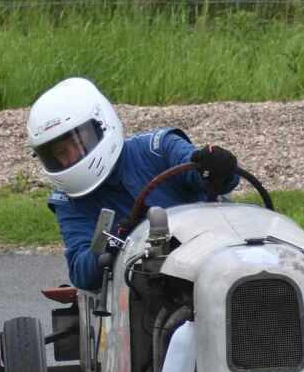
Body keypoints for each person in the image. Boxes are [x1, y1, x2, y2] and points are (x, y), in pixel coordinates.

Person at [27, 77, 238, 291]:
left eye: (78, 142)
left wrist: (215, 166)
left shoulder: (158, 148)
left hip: (208, 266)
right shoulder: (69, 201)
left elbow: (209, 176)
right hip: (141, 294)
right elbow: (81, 274)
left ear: (102, 124)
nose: (72, 157)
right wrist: (110, 243)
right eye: (61, 153)